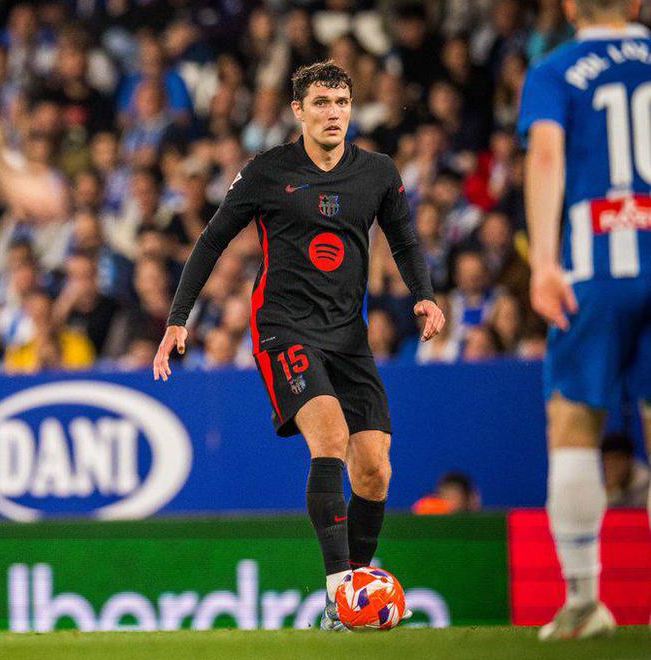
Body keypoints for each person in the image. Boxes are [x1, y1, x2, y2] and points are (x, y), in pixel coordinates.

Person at [153, 61, 444, 631]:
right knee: (329, 437)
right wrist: (178, 318)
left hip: (349, 336)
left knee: (374, 471)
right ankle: (340, 598)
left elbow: (405, 240)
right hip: (283, 328)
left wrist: (425, 296)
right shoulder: (267, 171)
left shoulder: (378, 172)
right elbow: (211, 240)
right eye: (321, 103)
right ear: (298, 111)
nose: (333, 113)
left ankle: (356, 589)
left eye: (342, 102)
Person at [518, 0, 650, 640]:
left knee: (573, 424)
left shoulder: (555, 69)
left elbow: (547, 157)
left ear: (571, 7)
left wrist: (544, 262)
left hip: (595, 269)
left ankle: (581, 602)